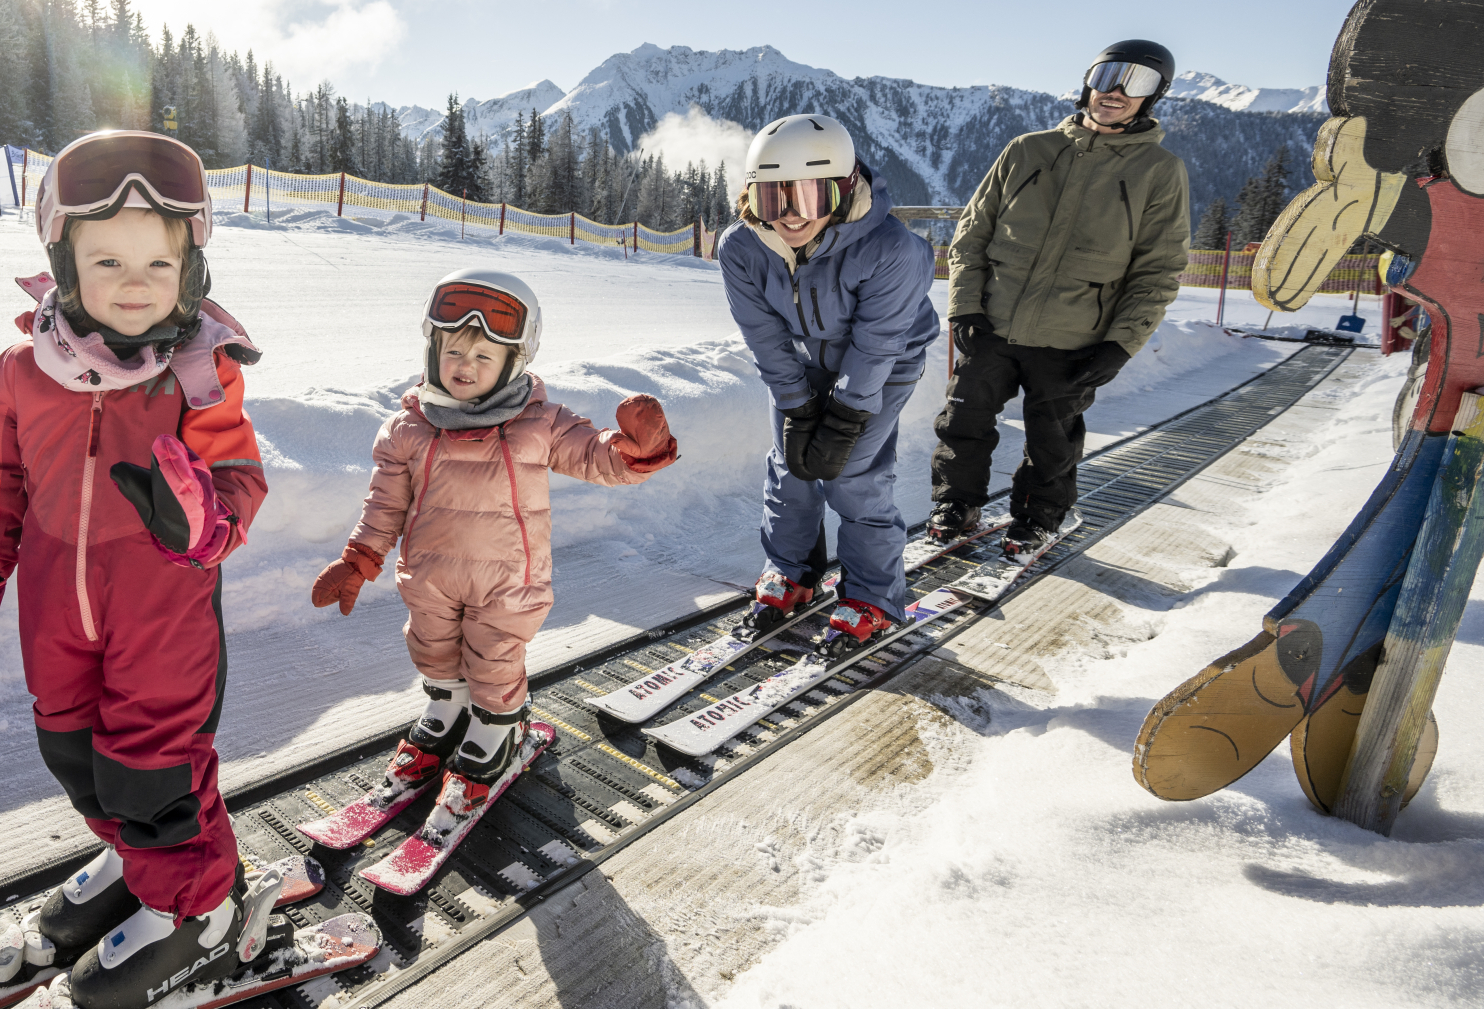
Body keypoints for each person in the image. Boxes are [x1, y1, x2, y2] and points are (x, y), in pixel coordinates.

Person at [0, 130, 276, 1007]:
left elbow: (239, 481)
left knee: (151, 769)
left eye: (160, 263)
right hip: (56, 617)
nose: (134, 283)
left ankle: (204, 911)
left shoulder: (198, 372)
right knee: (72, 752)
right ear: (62, 259)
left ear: (191, 269)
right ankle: (138, 860)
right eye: (108, 258)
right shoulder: (17, 375)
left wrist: (201, 520)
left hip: (162, 618)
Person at [310, 269, 679, 801]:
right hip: (430, 578)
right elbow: (385, 504)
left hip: (508, 582)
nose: (466, 367)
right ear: (432, 350)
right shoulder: (408, 428)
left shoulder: (539, 422)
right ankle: (447, 708)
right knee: (431, 649)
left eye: (484, 356)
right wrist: (359, 559)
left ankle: (497, 730)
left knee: (494, 658)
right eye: (454, 352)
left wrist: (637, 451)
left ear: (513, 362)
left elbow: (595, 455)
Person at [929, 40, 1191, 561]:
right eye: (1109, 74)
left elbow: (1158, 269)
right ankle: (956, 504)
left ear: (1153, 96)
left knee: (1052, 437)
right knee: (963, 419)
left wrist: (1120, 343)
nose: (1116, 91)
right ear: (1089, 78)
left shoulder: (1158, 172)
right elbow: (971, 234)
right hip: (995, 323)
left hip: (1075, 336)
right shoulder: (1028, 150)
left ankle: (1038, 518)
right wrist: (964, 305)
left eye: (1135, 82)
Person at [717, 115, 940, 649]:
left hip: (884, 364)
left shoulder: (891, 249)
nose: (790, 216)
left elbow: (878, 343)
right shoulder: (741, 248)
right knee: (791, 463)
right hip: (804, 359)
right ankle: (792, 569)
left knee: (851, 472)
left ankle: (873, 596)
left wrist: (843, 416)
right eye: (773, 200)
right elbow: (765, 336)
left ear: (841, 193)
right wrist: (797, 405)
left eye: (808, 198)